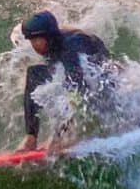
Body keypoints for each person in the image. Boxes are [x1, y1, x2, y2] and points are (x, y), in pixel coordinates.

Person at [16, 10, 114, 152]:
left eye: (37, 40)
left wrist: (59, 135)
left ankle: (68, 135)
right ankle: (31, 137)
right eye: (31, 41)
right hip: (79, 73)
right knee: (34, 74)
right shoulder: (53, 43)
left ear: (48, 36)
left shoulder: (71, 48)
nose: (34, 45)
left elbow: (78, 91)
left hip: (103, 79)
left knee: (74, 90)